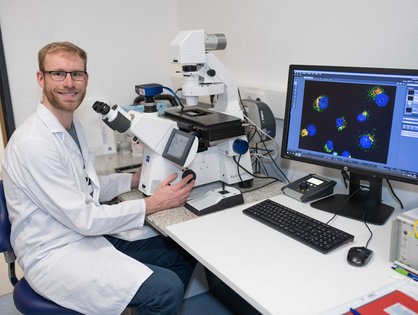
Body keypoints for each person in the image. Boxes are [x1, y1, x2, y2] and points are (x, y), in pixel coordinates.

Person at [2, 41, 197, 315]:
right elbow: (85, 218)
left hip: (83, 235)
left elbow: (85, 185)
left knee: (181, 255)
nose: (69, 82)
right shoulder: (34, 143)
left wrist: (132, 179)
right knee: (166, 289)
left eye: (76, 74)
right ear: (41, 78)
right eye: (58, 73)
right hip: (55, 253)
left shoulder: (71, 126)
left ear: (86, 78)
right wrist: (153, 204)